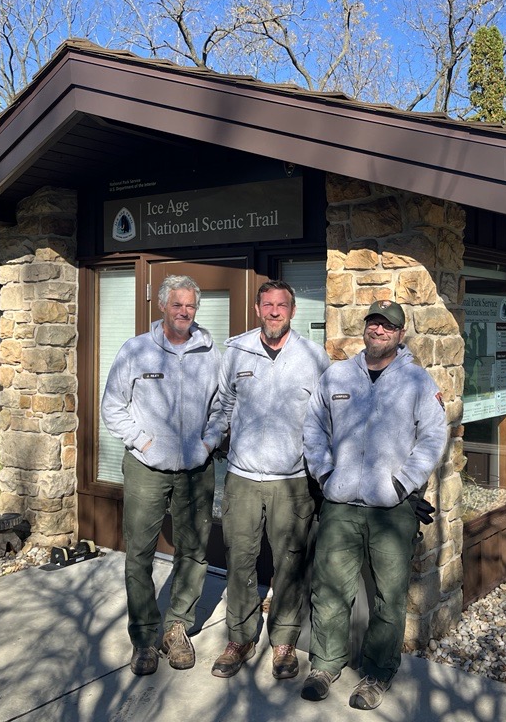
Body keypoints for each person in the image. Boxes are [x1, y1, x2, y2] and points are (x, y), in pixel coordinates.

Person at [301, 299, 448, 710]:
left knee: (389, 597)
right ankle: (326, 663)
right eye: (373, 323)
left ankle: (376, 673)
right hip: (341, 504)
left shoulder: (418, 382)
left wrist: (402, 483)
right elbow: (313, 426)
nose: (379, 330)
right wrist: (326, 475)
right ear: (365, 329)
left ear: (401, 334)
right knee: (330, 588)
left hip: (392, 509)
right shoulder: (338, 376)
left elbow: (434, 437)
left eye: (388, 326)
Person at [101, 275, 226, 676]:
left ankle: (176, 627)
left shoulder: (211, 353)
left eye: (190, 306)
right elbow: (113, 406)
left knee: (194, 550)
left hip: (196, 470)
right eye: (177, 305)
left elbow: (224, 405)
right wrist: (144, 442)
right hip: (146, 469)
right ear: (162, 306)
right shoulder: (136, 351)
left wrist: (208, 444)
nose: (184, 312)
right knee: (139, 552)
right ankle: (143, 637)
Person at [210, 280, 330, 680]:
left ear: (293, 311)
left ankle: (284, 641)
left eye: (282, 305)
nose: (275, 311)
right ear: (258, 309)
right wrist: (211, 443)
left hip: (292, 481)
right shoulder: (238, 350)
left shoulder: (313, 357)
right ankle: (240, 638)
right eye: (268, 305)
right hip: (242, 477)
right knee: (239, 559)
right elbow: (223, 403)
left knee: (290, 564)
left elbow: (327, 415)